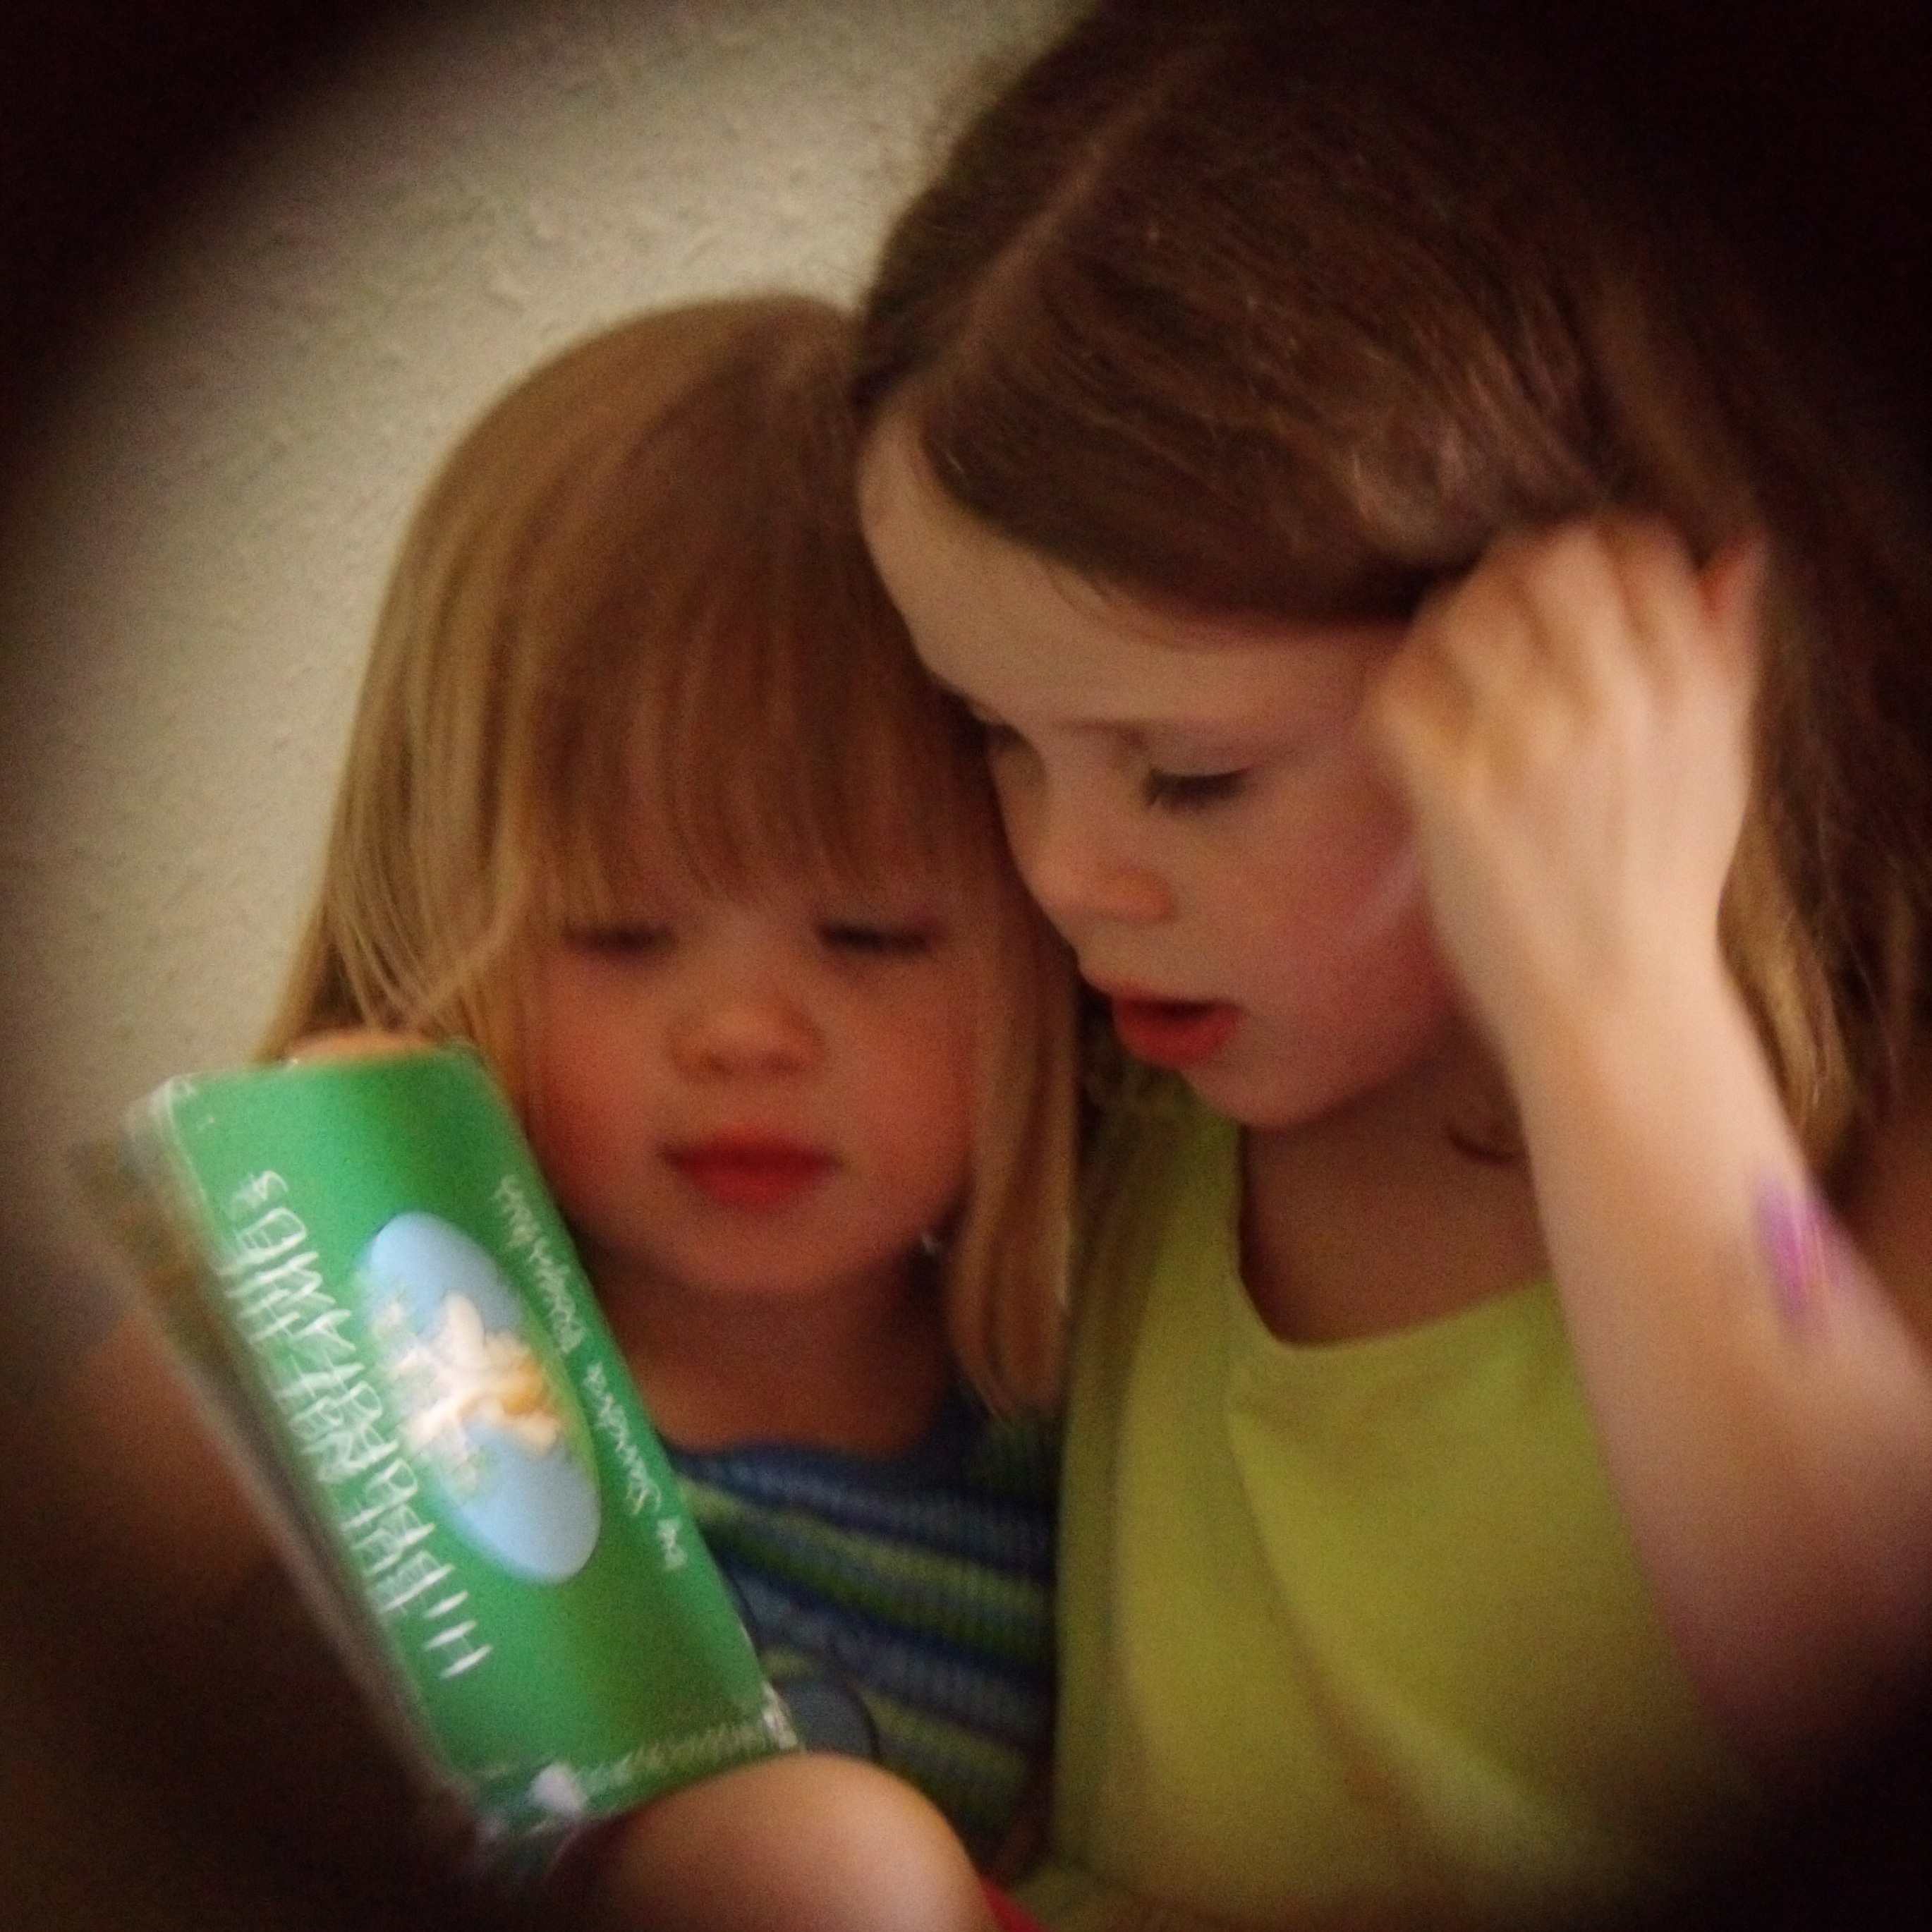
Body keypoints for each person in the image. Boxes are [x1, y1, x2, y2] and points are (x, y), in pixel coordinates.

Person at [844, 0, 1932, 1925]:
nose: (1065, 869)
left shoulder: (1866, 1117)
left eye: (1194, 773)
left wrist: (1614, 1002)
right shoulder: (1119, 1085)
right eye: (991, 732)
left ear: (1608, 675)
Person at [257, 293, 1079, 1927]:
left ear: (1049, 956)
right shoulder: (384, 1359)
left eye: (869, 935)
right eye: (623, 932)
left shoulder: (1066, 1458)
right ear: (442, 921)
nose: (746, 1034)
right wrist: (295, 1225)